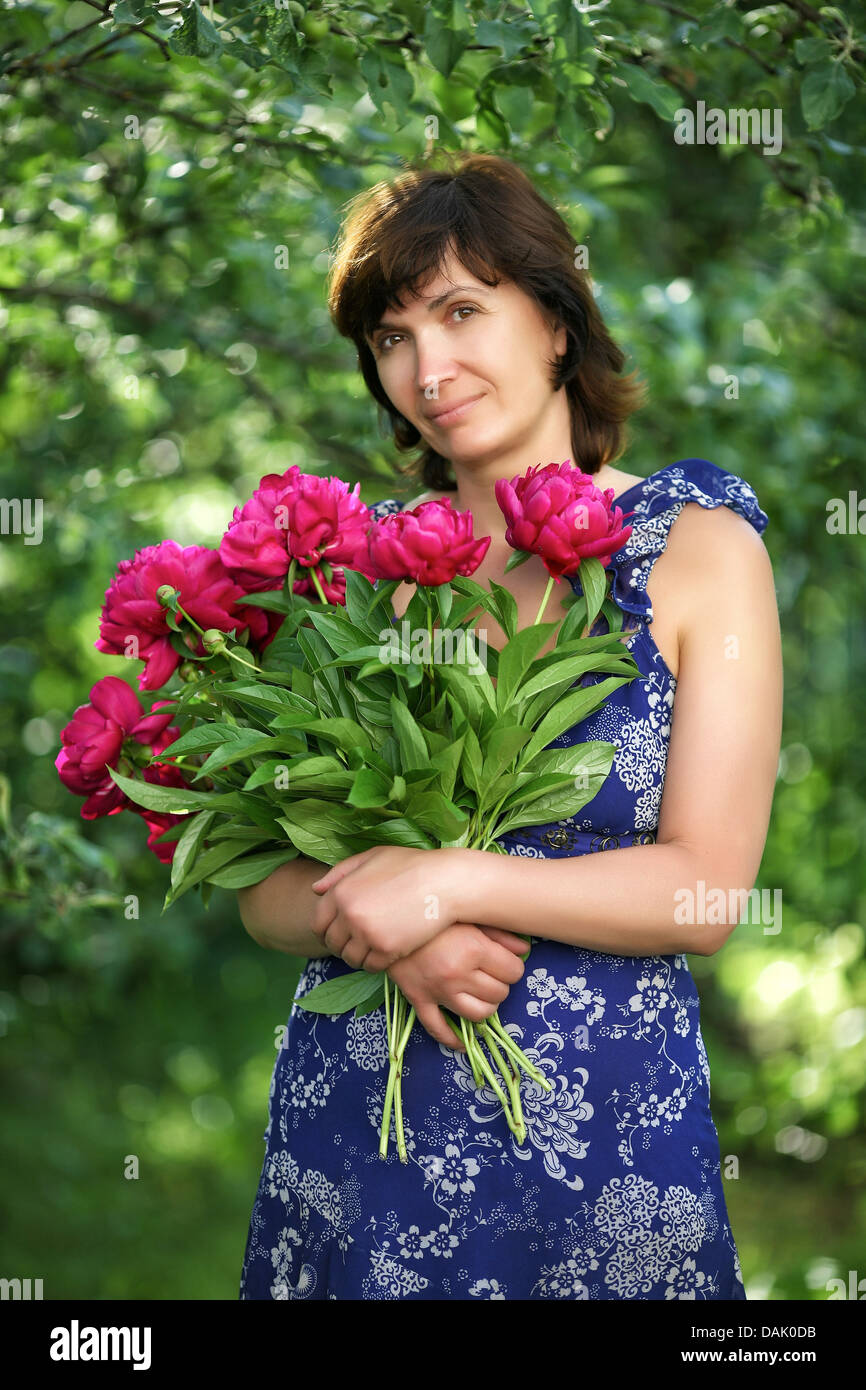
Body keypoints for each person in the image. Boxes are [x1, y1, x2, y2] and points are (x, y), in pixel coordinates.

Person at [236, 152, 782, 1300]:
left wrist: (446, 883)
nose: (427, 368)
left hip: (600, 1154)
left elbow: (705, 892)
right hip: (362, 1135)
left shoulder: (692, 547)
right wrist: (389, 929)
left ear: (555, 320)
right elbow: (263, 885)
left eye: (460, 311)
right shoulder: (353, 572)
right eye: (390, 338)